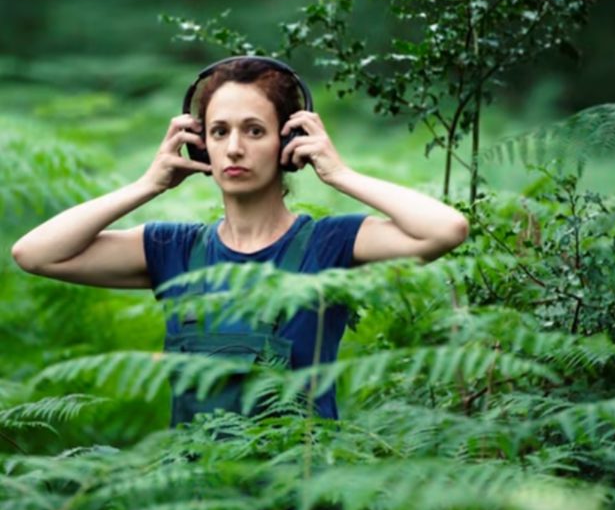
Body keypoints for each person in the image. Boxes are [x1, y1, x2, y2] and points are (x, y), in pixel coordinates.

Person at [10, 56, 469, 423]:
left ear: (288, 142)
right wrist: (147, 185)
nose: (233, 149)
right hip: (197, 494)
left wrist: (340, 173)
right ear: (198, 144)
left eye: (254, 131)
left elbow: (446, 229)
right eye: (218, 131)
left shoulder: (330, 244)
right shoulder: (173, 251)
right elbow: (34, 253)